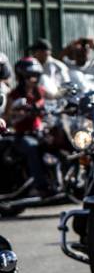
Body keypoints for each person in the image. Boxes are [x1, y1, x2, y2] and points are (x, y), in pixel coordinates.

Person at [3, 57, 49, 196]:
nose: (33, 79)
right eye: (30, 76)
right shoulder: (14, 95)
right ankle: (40, 186)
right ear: (22, 77)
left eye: (35, 75)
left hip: (41, 131)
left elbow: (55, 97)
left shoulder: (40, 91)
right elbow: (7, 117)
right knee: (32, 148)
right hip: (22, 135)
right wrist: (19, 114)